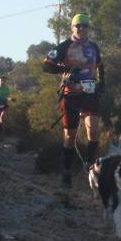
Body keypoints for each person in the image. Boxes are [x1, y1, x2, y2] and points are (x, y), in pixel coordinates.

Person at [42, 13, 105, 188]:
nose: (81, 28)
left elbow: (100, 65)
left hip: (90, 93)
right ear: (72, 27)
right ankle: (67, 170)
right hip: (70, 94)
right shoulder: (64, 46)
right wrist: (64, 68)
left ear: (88, 28)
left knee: (93, 130)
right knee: (69, 135)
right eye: (78, 25)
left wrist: (102, 84)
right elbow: (46, 65)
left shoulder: (93, 47)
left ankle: (90, 167)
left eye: (84, 25)